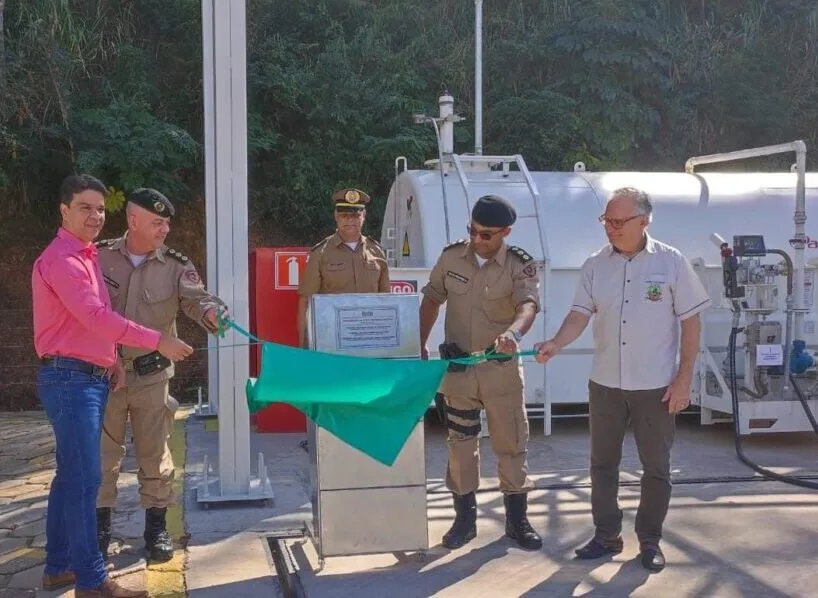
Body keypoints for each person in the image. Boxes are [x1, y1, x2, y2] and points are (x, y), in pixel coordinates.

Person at [32, 174, 193, 598]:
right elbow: (96, 317)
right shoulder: (68, 260)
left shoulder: (86, 255)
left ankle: (59, 567)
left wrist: (111, 361)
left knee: (70, 477)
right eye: (85, 207)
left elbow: (96, 319)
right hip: (72, 379)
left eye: (100, 208)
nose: (95, 216)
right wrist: (159, 339)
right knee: (86, 479)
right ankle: (92, 581)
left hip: (97, 373)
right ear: (64, 210)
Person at [534, 187, 711, 572]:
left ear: (644, 221)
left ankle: (649, 540)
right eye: (606, 221)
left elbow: (691, 321)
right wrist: (556, 343)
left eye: (618, 222)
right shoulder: (596, 264)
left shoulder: (671, 262)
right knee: (602, 463)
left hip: (656, 385)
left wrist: (684, 380)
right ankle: (606, 535)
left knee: (655, 467)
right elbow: (580, 314)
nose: (610, 229)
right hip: (606, 384)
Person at [94, 188, 227, 563]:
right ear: (133, 220)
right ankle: (99, 530)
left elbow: (197, 299)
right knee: (102, 459)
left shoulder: (175, 265)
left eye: (167, 221)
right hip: (105, 376)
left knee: (156, 456)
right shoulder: (99, 257)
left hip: (152, 377)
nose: (165, 228)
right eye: (157, 222)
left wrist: (212, 314)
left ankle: (156, 529)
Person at [419, 194, 542, 551]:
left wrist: (513, 334)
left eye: (486, 234)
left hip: (500, 373)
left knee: (511, 445)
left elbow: (528, 306)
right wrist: (420, 344)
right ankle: (464, 520)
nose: (477, 239)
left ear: (505, 232)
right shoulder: (450, 257)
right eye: (472, 230)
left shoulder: (520, 264)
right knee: (460, 447)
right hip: (457, 372)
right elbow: (431, 298)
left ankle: (517, 521)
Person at [296, 187, 390, 347]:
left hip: (369, 340)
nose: (350, 220)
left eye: (355, 215)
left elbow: (385, 302)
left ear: (364, 216)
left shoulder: (377, 252)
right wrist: (304, 348)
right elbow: (305, 302)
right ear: (336, 216)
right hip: (331, 340)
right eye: (344, 215)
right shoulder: (321, 253)